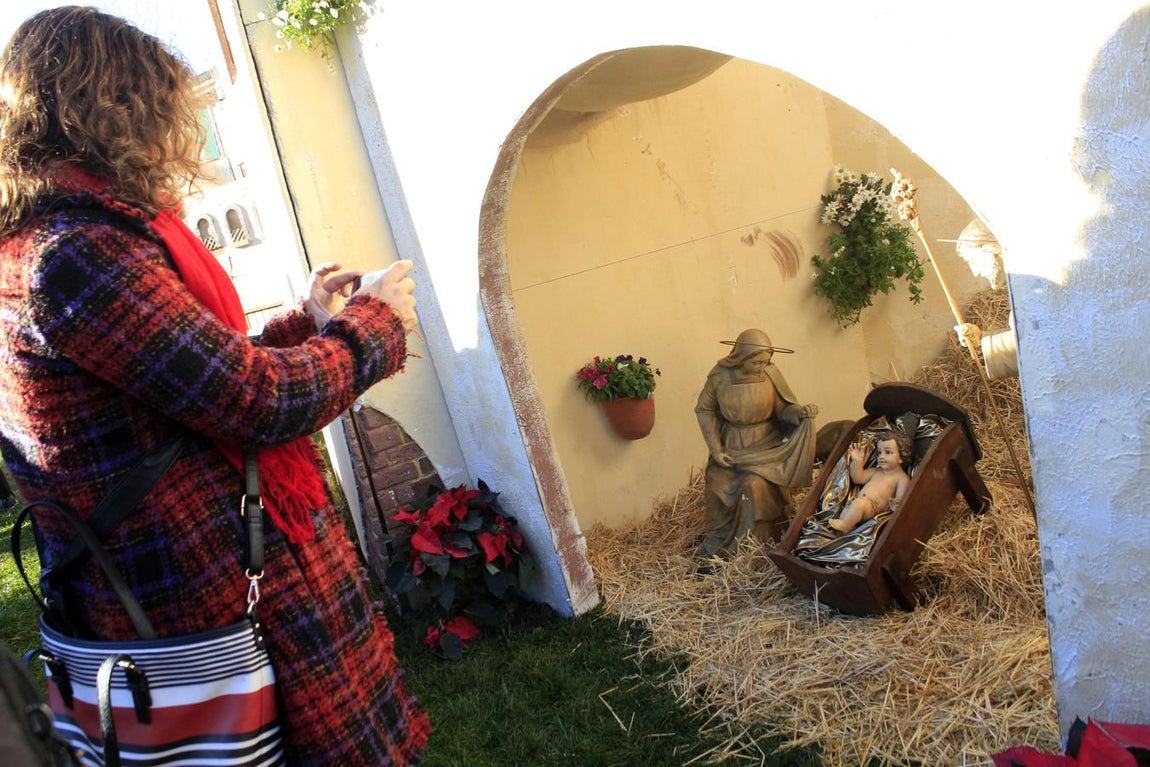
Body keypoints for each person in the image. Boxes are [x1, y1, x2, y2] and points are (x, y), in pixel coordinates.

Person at [0, 7, 428, 765]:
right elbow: (256, 400)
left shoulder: (55, 242)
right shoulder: (73, 254)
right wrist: (373, 326)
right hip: (210, 606)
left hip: (183, 595)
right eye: (163, 105)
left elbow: (186, 379)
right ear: (112, 106)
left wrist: (307, 321)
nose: (174, 129)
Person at [695, 328, 818, 557]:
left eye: (766, 361)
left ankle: (755, 546)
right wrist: (716, 449)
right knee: (716, 482)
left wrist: (800, 413)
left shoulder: (771, 374)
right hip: (732, 447)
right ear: (742, 357)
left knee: (753, 485)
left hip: (768, 446)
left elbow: (784, 409)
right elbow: (704, 409)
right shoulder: (720, 376)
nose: (762, 367)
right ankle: (718, 546)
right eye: (757, 363)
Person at [829, 431, 912, 534]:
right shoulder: (876, 471)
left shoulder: (901, 478)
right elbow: (858, 478)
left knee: (859, 504)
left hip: (873, 509)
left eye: (888, 452)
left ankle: (846, 526)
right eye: (879, 452)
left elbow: (902, 497)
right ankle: (850, 528)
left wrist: (896, 503)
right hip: (859, 504)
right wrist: (857, 462)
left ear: (901, 457)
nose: (881, 456)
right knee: (845, 513)